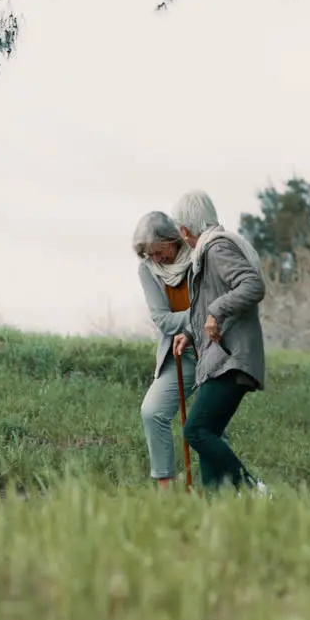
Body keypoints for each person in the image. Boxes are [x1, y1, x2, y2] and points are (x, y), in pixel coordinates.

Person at [169, 189, 269, 495]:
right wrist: (189, 334)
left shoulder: (216, 250)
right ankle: (213, 511)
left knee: (196, 430)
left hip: (231, 358)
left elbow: (252, 285)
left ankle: (253, 489)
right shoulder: (211, 251)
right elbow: (211, 305)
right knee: (207, 432)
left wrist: (215, 311)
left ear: (185, 230)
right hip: (223, 357)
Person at [132, 210, 203, 490]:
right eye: (150, 254)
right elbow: (162, 319)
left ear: (173, 240)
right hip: (178, 353)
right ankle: (166, 489)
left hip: (214, 350)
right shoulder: (148, 270)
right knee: (153, 412)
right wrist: (199, 316)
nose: (157, 259)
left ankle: (223, 489)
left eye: (160, 252)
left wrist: (200, 318)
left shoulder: (200, 256)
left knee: (210, 426)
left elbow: (218, 306)